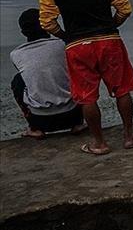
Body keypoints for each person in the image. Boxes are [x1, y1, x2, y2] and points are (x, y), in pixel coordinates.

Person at [39, 0, 133, 155]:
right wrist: (112, 25)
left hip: (77, 44)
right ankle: (128, 136)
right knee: (122, 90)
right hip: (109, 40)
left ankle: (99, 143)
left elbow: (47, 22)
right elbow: (124, 9)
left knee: (86, 96)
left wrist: (65, 35)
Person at [10, 9, 86, 138]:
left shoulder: (16, 54)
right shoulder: (63, 45)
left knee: (18, 80)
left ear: (23, 32)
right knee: (79, 71)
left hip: (40, 119)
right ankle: (78, 124)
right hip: (72, 114)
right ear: (46, 25)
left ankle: (34, 128)